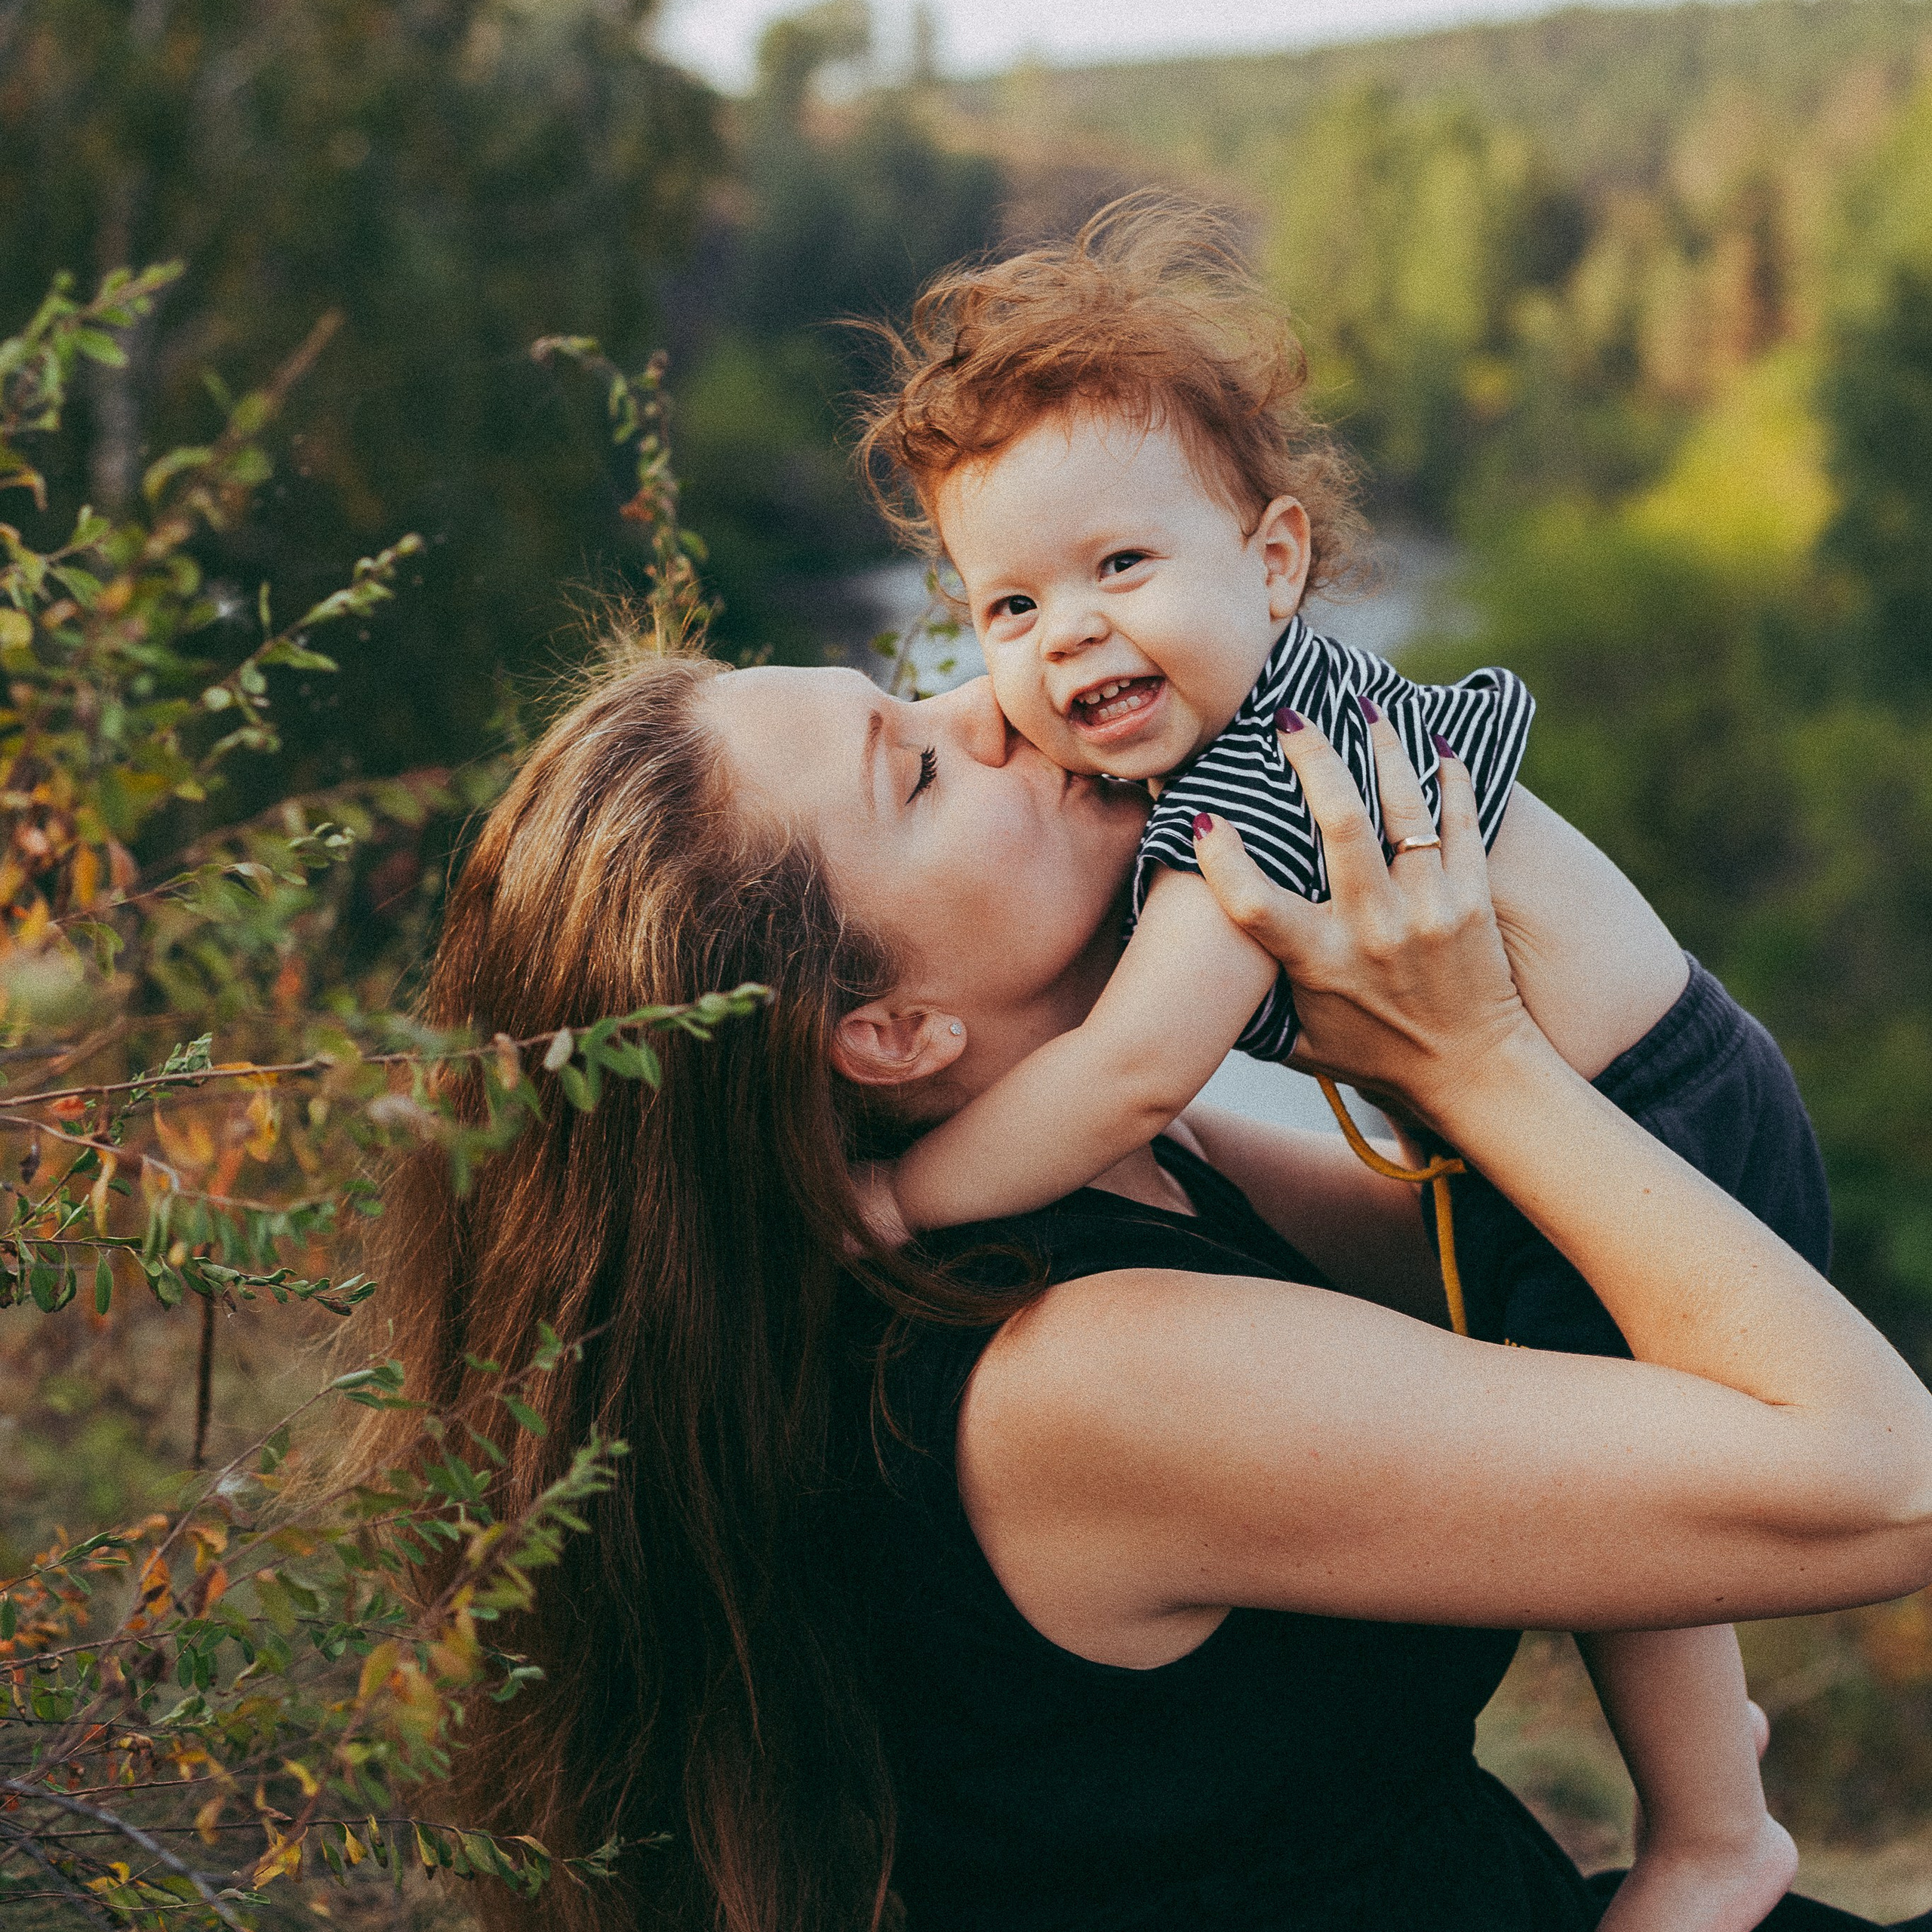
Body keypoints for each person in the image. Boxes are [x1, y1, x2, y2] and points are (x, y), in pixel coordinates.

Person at [371, 638, 1932, 1932]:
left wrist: (1383, 1003)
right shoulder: (1079, 1371)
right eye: (918, 770)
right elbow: (1886, 1487)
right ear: (886, 1033)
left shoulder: (1095, 1175)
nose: (990, 704)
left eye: (918, 693)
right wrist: (1472, 1058)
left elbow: (1558, 1292)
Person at [851, 197, 1816, 1931]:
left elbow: (1131, 1074)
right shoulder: (1217, 743)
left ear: (1273, 563)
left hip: (1651, 1120)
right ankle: (1708, 1756)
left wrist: (901, 1188)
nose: (1063, 637)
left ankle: (1709, 1832)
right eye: (1008, 601)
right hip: (1569, 1118)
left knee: (1638, 1485)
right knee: (1603, 1471)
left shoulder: (1264, 775)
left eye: (1119, 567)